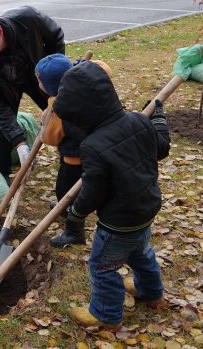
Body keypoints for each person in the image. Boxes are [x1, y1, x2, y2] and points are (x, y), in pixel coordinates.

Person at [52, 61, 170, 329]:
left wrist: (76, 213)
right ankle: (151, 293)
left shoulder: (92, 146)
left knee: (103, 266)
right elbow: (161, 148)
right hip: (147, 208)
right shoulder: (140, 120)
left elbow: (93, 191)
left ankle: (106, 315)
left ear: (81, 114)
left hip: (118, 223)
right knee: (141, 253)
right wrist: (159, 119)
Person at [0, 7, 65, 179]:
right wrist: (20, 144)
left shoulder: (27, 19)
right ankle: (1, 178)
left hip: (38, 77)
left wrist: (49, 70)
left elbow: (56, 37)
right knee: (1, 131)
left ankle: (71, 159)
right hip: (6, 86)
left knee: (61, 116)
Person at [34, 54, 87, 247]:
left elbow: (50, 137)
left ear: (49, 87)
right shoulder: (85, 85)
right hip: (96, 148)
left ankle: (74, 230)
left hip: (74, 157)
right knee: (86, 187)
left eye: (39, 80)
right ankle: (68, 206)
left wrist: (46, 121)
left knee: (65, 189)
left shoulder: (59, 108)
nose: (37, 84)